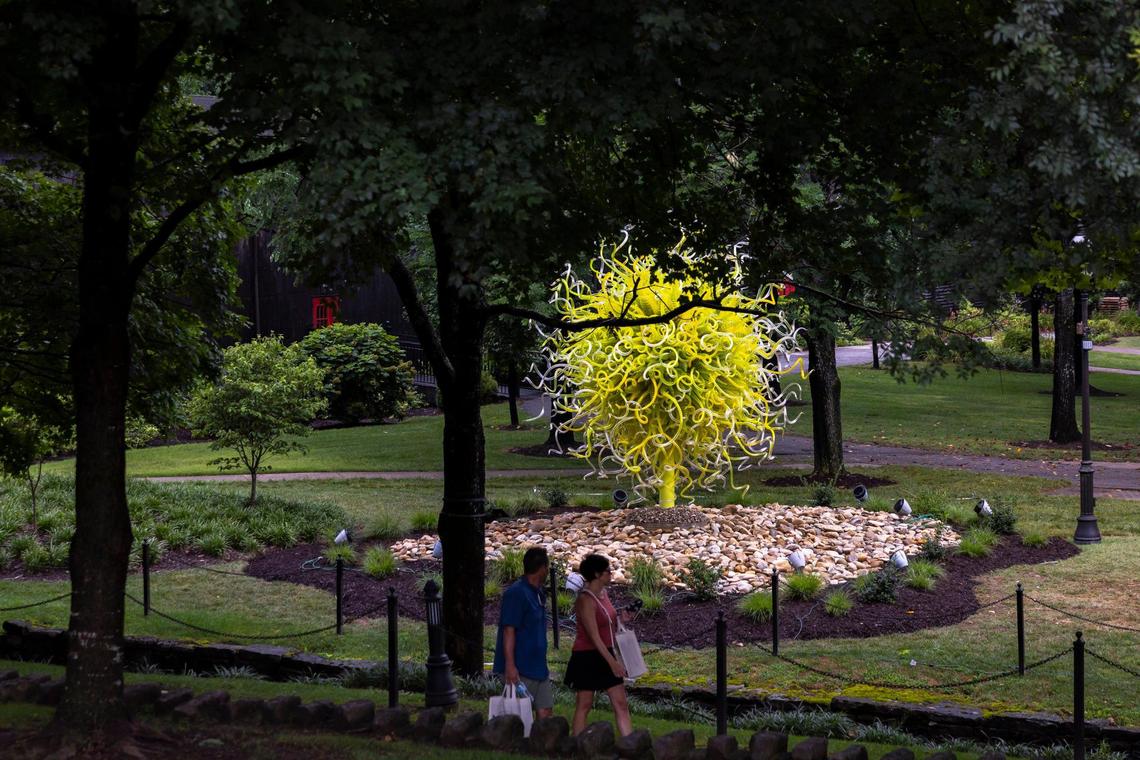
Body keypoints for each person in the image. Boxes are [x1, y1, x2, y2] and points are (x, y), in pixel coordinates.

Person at [563, 553, 633, 736]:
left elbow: (608, 624)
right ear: (597, 574)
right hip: (587, 656)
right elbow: (594, 637)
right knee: (584, 704)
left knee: (620, 703)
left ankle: (631, 745)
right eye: (607, 571)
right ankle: (578, 746)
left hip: (605, 652)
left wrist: (622, 620)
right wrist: (613, 663)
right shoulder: (585, 600)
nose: (611, 574)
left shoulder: (604, 594)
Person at [493, 546, 554, 719]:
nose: (548, 571)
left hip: (539, 667)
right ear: (542, 568)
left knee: (546, 712)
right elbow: (508, 630)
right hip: (521, 667)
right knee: (520, 716)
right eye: (547, 567)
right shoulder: (516, 593)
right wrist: (510, 666)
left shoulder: (538, 593)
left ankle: (541, 746)